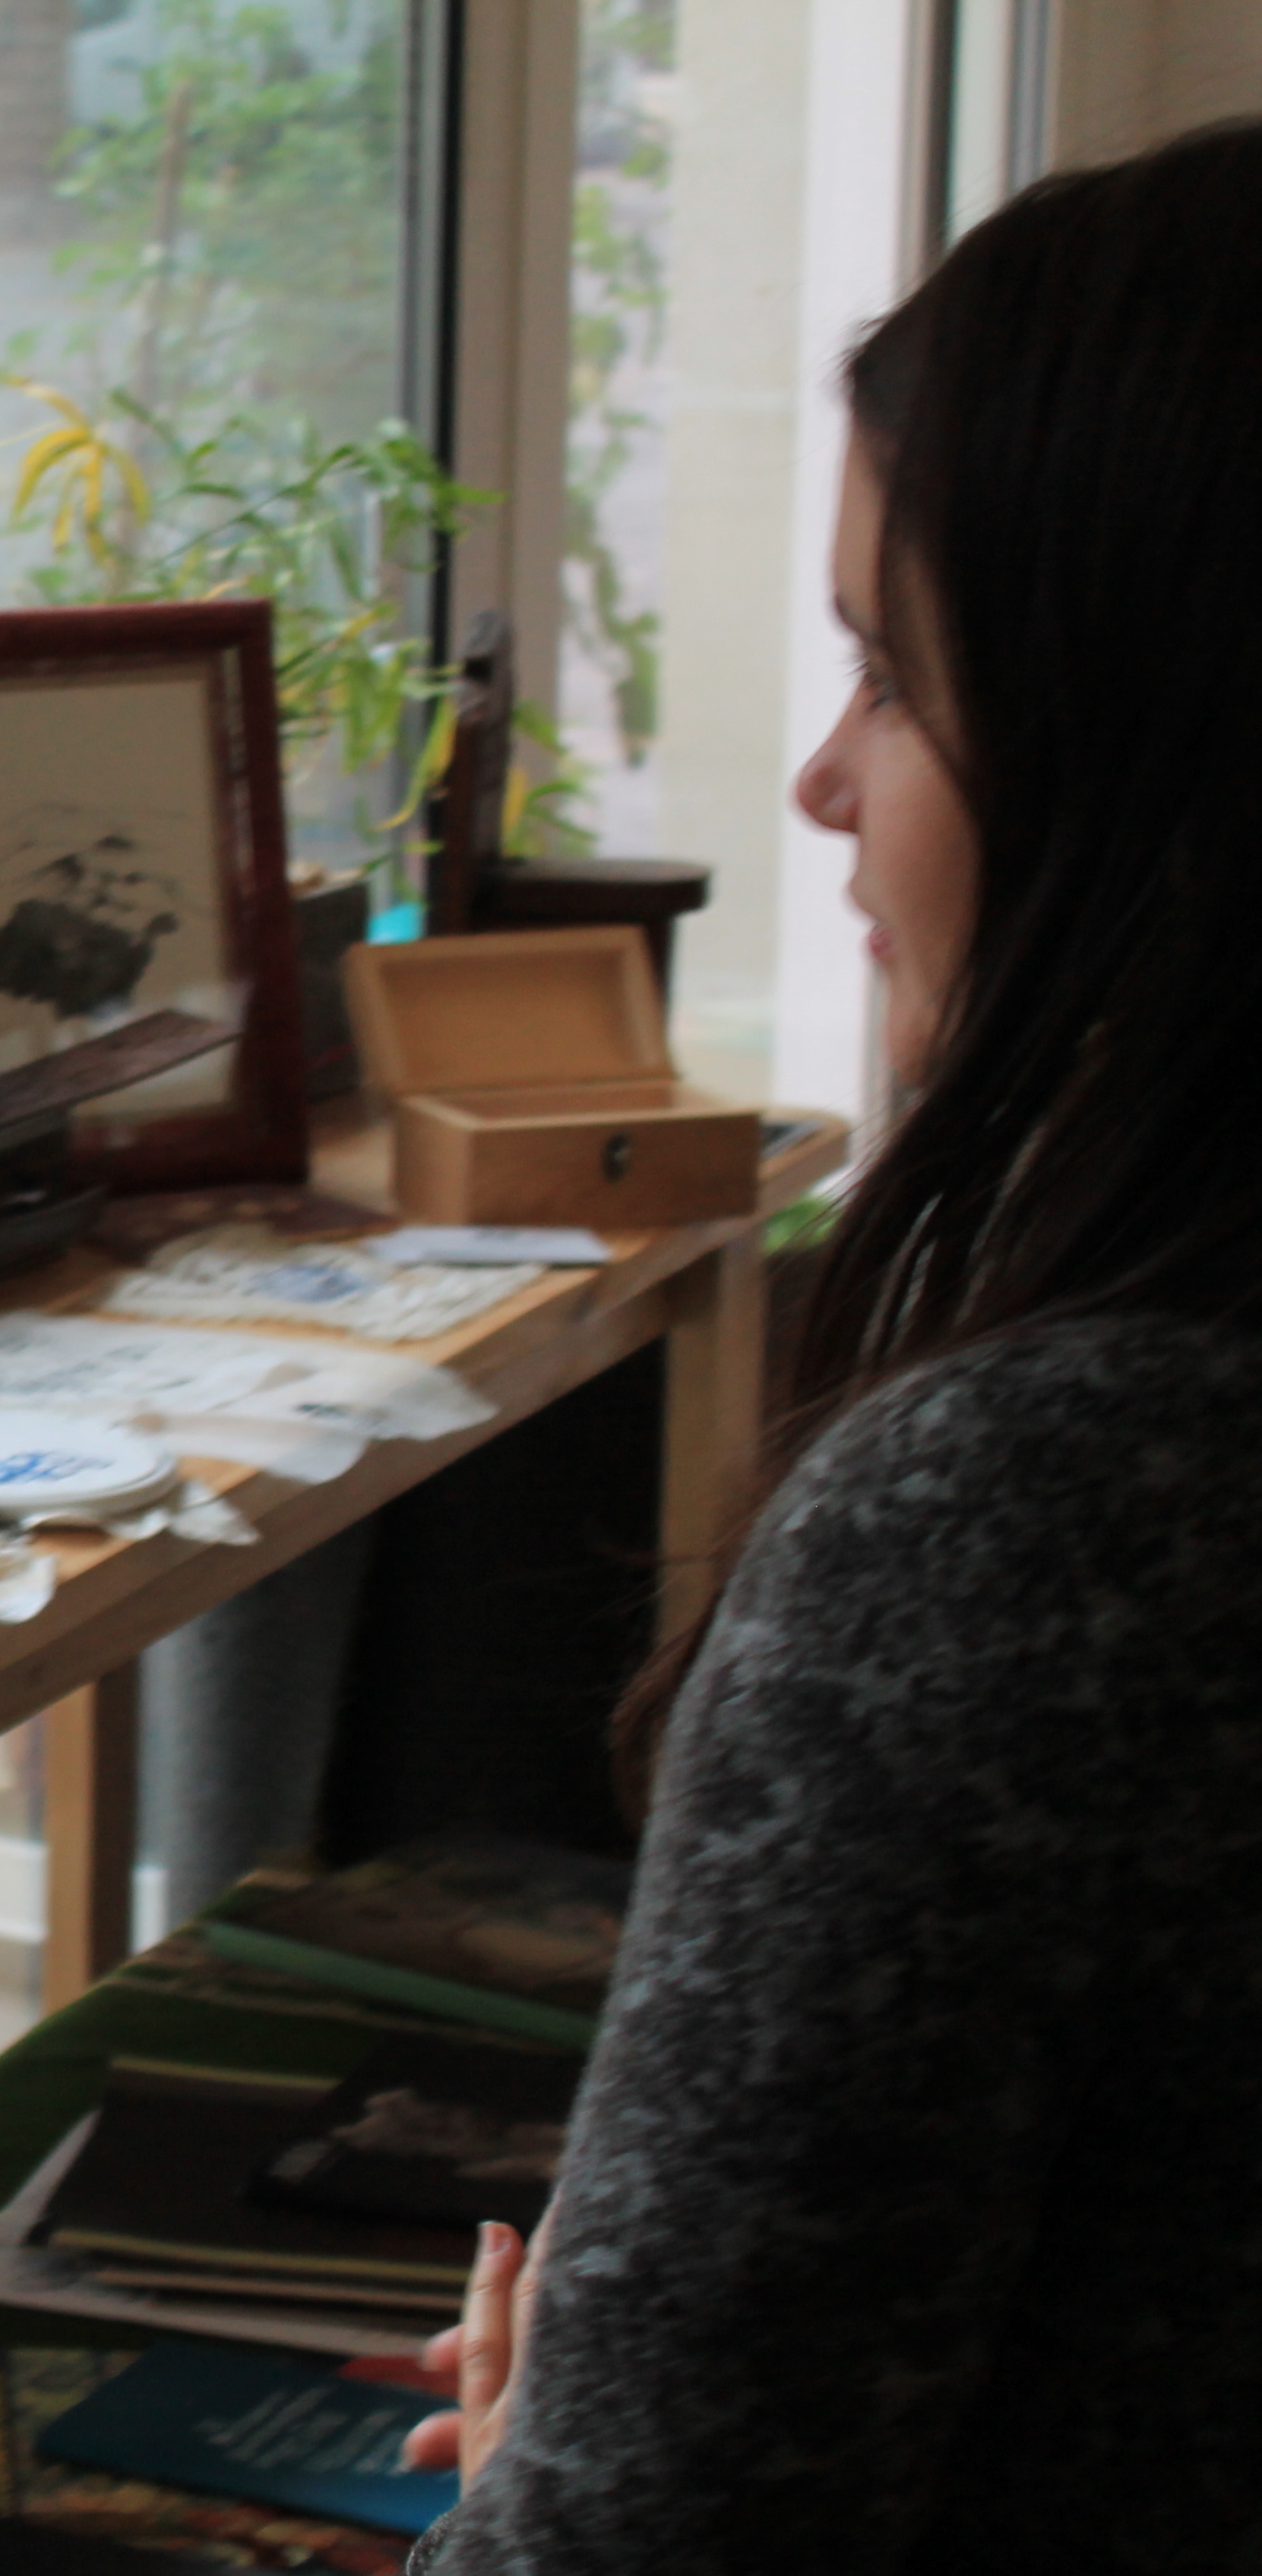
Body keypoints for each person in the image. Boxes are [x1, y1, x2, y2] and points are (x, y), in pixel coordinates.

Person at [401, 119, 1262, 2570]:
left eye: (891, 672)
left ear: (1146, 754)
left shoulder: (1030, 1514)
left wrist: (560, 2450)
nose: (819, 782)